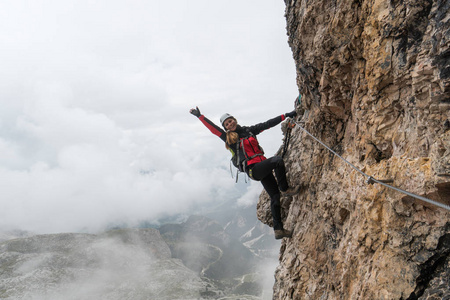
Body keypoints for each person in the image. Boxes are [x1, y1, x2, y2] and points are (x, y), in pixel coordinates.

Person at [189, 106, 299, 239]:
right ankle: (285, 189)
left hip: (262, 166)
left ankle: (279, 230)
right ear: (226, 128)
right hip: (254, 169)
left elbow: (267, 124)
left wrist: (286, 115)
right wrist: (200, 116)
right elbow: (214, 130)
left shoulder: (248, 131)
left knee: (275, 197)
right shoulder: (229, 139)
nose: (230, 124)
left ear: (235, 120)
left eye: (230, 120)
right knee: (277, 161)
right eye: (227, 124)